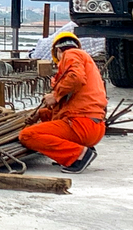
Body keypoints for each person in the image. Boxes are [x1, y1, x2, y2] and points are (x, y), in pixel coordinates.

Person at [19, 32, 107, 174]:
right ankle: (80, 150)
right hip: (93, 127)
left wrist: (55, 95)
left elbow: (76, 78)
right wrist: (40, 113)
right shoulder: (85, 62)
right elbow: (67, 108)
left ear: (58, 51)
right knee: (48, 118)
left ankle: (78, 155)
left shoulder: (71, 54)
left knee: (27, 135)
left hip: (82, 125)